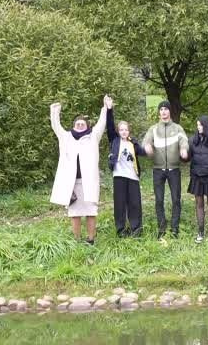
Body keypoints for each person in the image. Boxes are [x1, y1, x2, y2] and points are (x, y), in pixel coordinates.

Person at [49, 96, 110, 245]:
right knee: (74, 213)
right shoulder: (66, 137)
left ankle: (90, 239)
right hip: (72, 183)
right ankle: (76, 240)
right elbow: (56, 126)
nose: (80, 125)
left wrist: (105, 107)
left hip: (88, 182)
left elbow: (102, 123)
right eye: (78, 123)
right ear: (74, 126)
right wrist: (55, 111)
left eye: (83, 123)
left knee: (91, 211)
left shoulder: (93, 136)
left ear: (87, 126)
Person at [141, 101, 189, 239]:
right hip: (158, 170)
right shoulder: (153, 129)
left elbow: (184, 140)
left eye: (166, 109)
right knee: (159, 200)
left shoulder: (177, 128)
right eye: (161, 109)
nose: (163, 112)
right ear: (159, 113)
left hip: (174, 169)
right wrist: (147, 147)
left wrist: (184, 149)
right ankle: (161, 228)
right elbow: (145, 142)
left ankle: (175, 229)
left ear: (169, 112)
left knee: (176, 199)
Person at [103, 98, 146, 237]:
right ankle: (121, 230)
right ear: (118, 131)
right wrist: (109, 109)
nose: (123, 132)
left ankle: (136, 229)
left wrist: (151, 147)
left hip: (133, 176)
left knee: (135, 204)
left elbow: (144, 152)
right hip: (119, 176)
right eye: (121, 130)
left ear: (129, 131)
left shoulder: (133, 143)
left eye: (126, 129)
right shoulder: (114, 140)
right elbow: (109, 126)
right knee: (120, 204)